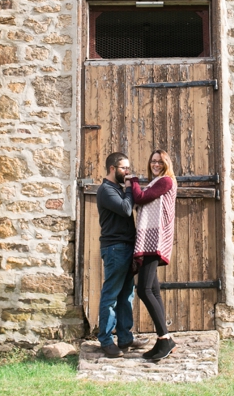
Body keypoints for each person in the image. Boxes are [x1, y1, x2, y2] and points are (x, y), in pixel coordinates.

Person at [131, 149, 179, 361]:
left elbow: (140, 198)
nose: (156, 164)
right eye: (153, 161)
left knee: (143, 289)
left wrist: (132, 180)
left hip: (154, 238)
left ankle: (164, 338)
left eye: (159, 161)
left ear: (166, 163)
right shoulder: (157, 182)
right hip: (149, 237)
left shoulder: (165, 181)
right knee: (154, 291)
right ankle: (164, 341)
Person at [95, 152, 143, 358]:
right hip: (115, 249)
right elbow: (125, 209)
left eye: (129, 168)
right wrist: (132, 188)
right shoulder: (106, 190)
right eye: (124, 168)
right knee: (111, 295)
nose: (128, 172)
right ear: (112, 169)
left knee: (126, 295)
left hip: (125, 247)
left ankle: (125, 338)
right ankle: (106, 340)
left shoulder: (117, 189)